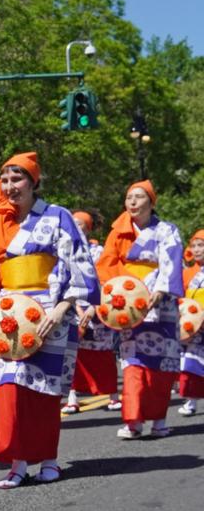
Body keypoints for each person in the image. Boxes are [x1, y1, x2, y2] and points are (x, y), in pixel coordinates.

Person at [0, 153, 98, 488]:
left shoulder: (58, 217)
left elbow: (79, 264)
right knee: (9, 388)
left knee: (42, 391)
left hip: (47, 310)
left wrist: (61, 308)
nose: (11, 187)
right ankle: (17, 462)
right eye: (5, 180)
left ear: (34, 182)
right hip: (8, 313)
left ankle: (50, 460)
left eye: (18, 179)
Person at [96, 180, 184, 439]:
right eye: (129, 198)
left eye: (139, 197)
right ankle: (133, 420)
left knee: (160, 365)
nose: (132, 202)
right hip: (129, 303)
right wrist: (126, 290)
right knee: (132, 363)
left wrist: (158, 288)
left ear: (151, 202)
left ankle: (158, 418)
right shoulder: (117, 233)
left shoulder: (167, 230)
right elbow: (106, 264)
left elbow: (171, 262)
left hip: (161, 302)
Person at [64, 211, 121, 413]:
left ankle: (113, 395)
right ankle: (72, 398)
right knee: (72, 355)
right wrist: (76, 308)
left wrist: (92, 307)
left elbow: (105, 281)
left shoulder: (99, 252)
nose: (76, 228)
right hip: (72, 306)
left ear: (88, 229)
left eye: (81, 225)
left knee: (104, 354)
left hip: (98, 307)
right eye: (73, 224)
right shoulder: (63, 249)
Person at [179, 230, 204, 416]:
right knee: (190, 363)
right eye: (194, 245)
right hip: (193, 325)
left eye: (201, 245)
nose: (196, 250)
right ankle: (191, 401)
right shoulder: (188, 273)